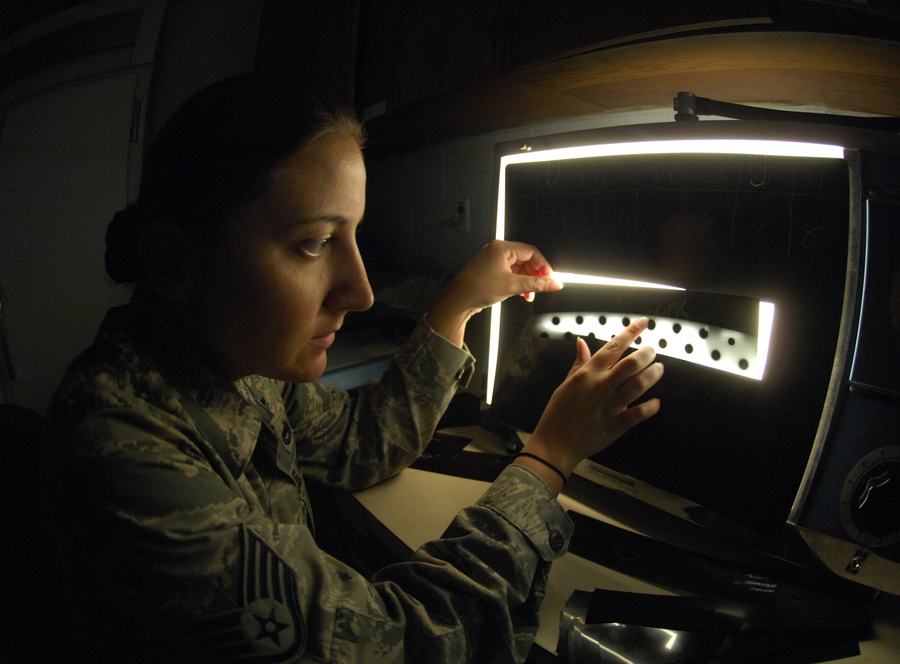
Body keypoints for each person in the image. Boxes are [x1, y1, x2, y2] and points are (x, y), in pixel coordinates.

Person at [43, 74, 664, 663]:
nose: (361, 291)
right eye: (314, 243)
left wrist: (457, 304)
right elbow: (401, 644)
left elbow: (363, 441)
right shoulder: (124, 450)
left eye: (354, 236)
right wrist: (550, 456)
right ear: (176, 262)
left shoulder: (237, 361)